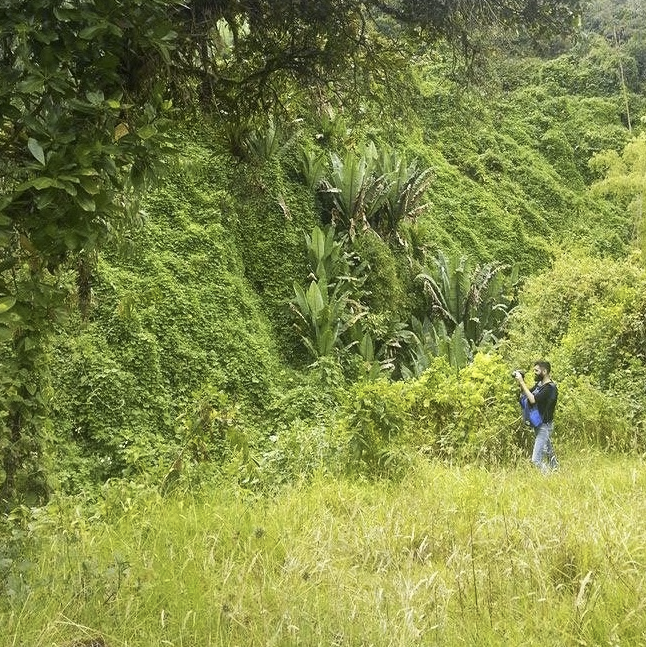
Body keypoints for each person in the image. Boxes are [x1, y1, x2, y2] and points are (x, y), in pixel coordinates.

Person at [514, 361, 558, 472]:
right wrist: (520, 383)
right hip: (538, 424)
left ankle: (549, 477)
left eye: (537, 371)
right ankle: (557, 471)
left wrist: (522, 382)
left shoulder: (550, 388)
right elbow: (527, 394)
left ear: (545, 371)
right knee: (549, 454)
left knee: (536, 460)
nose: (535, 373)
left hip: (544, 426)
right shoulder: (540, 385)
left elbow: (533, 399)